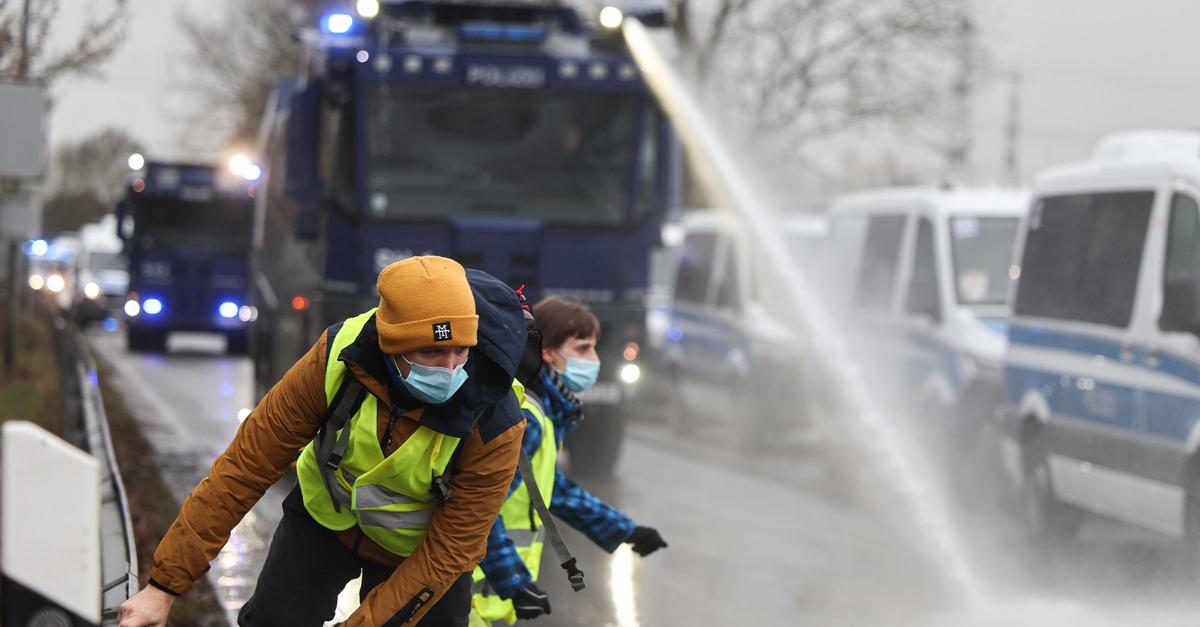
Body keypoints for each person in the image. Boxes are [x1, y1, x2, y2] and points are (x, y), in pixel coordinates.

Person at [118, 256, 530, 627]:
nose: (451, 369)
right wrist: (164, 586)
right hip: (324, 524)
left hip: (422, 555)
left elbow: (450, 551)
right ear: (392, 346)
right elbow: (245, 467)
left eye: (461, 352)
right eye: (432, 354)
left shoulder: (496, 418)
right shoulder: (335, 358)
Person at [469, 296, 668, 625]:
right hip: (477, 597)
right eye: (582, 348)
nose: (594, 359)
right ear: (547, 352)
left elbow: (553, 489)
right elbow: (478, 512)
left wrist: (625, 531)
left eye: (594, 348)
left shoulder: (544, 413)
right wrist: (514, 584)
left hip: (489, 598)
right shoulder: (529, 419)